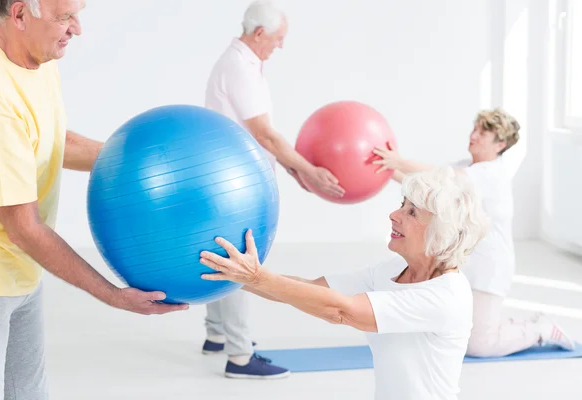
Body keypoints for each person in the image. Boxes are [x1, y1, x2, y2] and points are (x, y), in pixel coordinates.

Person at [0, 1, 187, 399]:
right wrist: (112, 295)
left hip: (22, 269)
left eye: (77, 15)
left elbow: (49, 141)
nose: (76, 29)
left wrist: (139, 164)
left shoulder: (34, 57)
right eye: (64, 18)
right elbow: (24, 228)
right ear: (21, 15)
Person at [199, 167, 488, 399]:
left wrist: (255, 276)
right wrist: (230, 273)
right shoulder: (393, 271)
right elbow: (310, 289)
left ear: (442, 232)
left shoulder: (446, 297)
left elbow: (341, 311)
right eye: (402, 204)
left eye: (412, 212)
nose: (394, 214)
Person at [200, 0, 343, 379]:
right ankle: (240, 357)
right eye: (278, 39)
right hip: (237, 181)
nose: (280, 46)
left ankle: (216, 336)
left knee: (223, 254)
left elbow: (258, 135)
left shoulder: (245, 63)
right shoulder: (239, 67)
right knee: (241, 262)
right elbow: (264, 133)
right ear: (259, 33)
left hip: (236, 175)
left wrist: (293, 171)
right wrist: (309, 170)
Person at [371, 107, 576, 357]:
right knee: (448, 324)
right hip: (461, 262)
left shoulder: (491, 175)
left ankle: (542, 329)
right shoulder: (463, 167)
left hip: (489, 268)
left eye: (483, 133)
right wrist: (382, 170)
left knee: (480, 345)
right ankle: (502, 323)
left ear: (500, 144)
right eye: (475, 129)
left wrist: (398, 161)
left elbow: (440, 177)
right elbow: (424, 184)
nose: (474, 135)